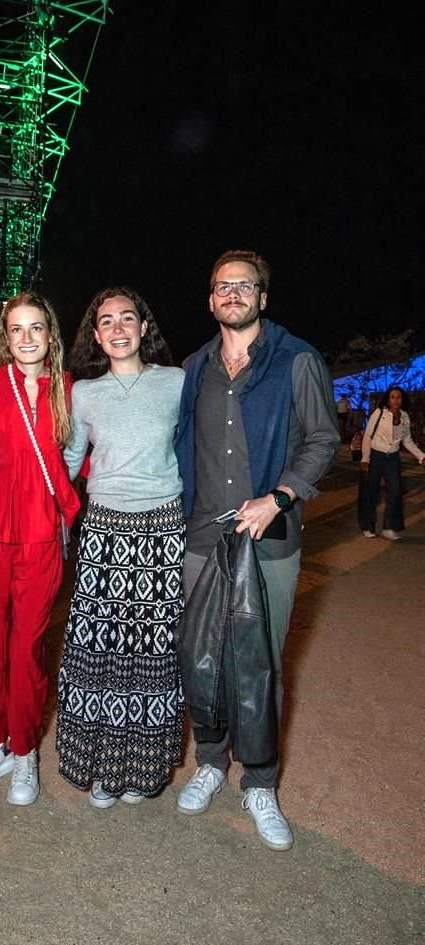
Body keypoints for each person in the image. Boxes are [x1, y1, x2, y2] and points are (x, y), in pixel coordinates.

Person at [175, 249, 339, 851]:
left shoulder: (296, 360)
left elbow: (323, 440)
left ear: (263, 298)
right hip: (200, 536)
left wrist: (280, 496)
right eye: (223, 286)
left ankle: (260, 780)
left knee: (260, 661)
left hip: (268, 537)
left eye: (246, 286)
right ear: (211, 299)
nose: (234, 294)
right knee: (203, 657)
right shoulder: (194, 365)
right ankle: (212, 763)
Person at [55, 286, 186, 808]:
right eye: (105, 321)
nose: (117, 328)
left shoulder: (176, 383)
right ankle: (104, 768)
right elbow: (68, 462)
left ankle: (145, 766)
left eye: (126, 318)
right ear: (95, 334)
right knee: (101, 651)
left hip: (162, 528)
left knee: (153, 651)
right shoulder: (85, 393)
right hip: (105, 529)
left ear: (143, 326)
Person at [0, 292, 80, 805]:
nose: (26, 338)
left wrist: (63, 494)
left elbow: (83, 450)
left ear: (50, 334)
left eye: (36, 328)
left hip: (42, 535)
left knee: (26, 648)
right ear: (4, 338)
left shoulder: (71, 390)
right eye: (16, 330)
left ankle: (24, 749)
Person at [359, 386, 425, 540]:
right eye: (393, 397)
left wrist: (421, 456)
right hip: (376, 455)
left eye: (399, 397)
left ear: (402, 400)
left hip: (393, 458)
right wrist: (365, 458)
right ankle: (368, 526)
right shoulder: (379, 413)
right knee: (372, 492)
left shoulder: (404, 417)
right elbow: (368, 436)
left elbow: (407, 441)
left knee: (395, 491)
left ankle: (388, 528)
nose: (396, 400)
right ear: (388, 399)